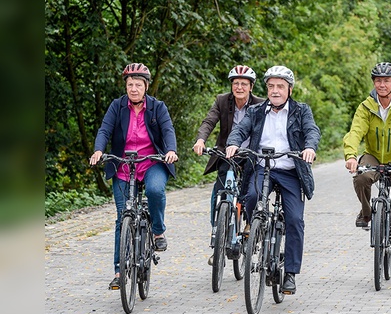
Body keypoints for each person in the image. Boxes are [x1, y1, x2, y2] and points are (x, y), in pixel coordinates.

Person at [225, 65, 321, 295]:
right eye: (271, 86)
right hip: (263, 167)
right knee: (250, 198)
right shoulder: (256, 111)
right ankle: (257, 229)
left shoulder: (301, 110)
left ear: (289, 89)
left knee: (295, 220)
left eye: (280, 86)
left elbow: (312, 131)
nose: (275, 91)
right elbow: (241, 129)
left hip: (290, 171)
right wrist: (233, 143)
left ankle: (289, 273)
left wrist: (309, 147)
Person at [89, 63, 178, 289]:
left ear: (146, 86)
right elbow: (104, 129)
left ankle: (157, 231)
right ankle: (119, 272)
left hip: (151, 163)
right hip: (123, 165)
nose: (134, 88)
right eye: (130, 84)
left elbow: (168, 130)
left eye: (138, 84)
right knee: (122, 217)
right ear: (126, 86)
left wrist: (170, 150)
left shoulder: (157, 108)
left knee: (155, 190)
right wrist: (99, 150)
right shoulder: (117, 106)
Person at [343, 62, 391, 274]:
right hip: (374, 156)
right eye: (378, 80)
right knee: (360, 177)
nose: (382, 84)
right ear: (374, 83)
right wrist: (350, 155)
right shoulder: (366, 106)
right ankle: (367, 212)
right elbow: (355, 132)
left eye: (387, 81)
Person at [192, 65, 264, 266]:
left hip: (250, 155)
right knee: (219, 194)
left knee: (251, 192)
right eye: (236, 83)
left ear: (251, 87)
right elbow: (209, 122)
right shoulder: (222, 101)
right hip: (226, 154)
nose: (239, 87)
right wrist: (200, 140)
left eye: (243, 84)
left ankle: (250, 223)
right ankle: (218, 240)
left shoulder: (260, 104)